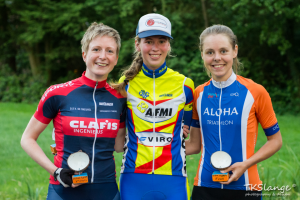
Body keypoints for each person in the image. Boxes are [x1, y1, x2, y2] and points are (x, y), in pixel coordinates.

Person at [20, 22, 126, 200]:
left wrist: (172, 129)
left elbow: (119, 146)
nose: (103, 56)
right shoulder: (58, 93)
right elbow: (27, 139)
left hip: (106, 189)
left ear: (116, 58)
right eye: (96, 49)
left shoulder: (121, 98)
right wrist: (56, 172)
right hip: (63, 189)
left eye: (109, 51)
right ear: (84, 54)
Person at [185, 24, 282, 200]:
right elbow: (194, 145)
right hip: (204, 187)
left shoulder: (256, 92)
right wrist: (157, 144)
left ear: (234, 51)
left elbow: (275, 141)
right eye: (210, 52)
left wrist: (246, 164)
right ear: (202, 55)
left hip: (246, 187)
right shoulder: (198, 93)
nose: (217, 58)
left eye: (223, 51)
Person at [112, 13, 194, 200]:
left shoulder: (185, 85)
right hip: (133, 177)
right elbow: (120, 128)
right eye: (148, 41)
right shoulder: (126, 83)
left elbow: (187, 129)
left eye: (162, 41)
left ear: (169, 45)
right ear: (137, 44)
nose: (155, 48)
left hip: (174, 178)